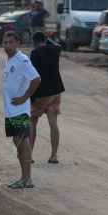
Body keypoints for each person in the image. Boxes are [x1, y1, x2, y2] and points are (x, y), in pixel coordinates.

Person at [1, 31, 41, 189]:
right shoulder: (9, 60)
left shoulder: (22, 60)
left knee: (23, 141)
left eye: (11, 42)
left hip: (20, 110)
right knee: (17, 141)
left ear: (18, 43)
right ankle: (24, 177)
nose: (8, 45)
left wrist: (24, 98)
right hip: (10, 110)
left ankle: (27, 179)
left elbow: (36, 79)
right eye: (5, 42)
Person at [28, 32, 65, 164]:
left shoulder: (35, 53)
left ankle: (30, 155)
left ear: (33, 41)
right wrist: (47, 38)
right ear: (45, 40)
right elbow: (57, 44)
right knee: (53, 123)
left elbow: (33, 74)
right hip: (55, 92)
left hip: (39, 93)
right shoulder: (55, 49)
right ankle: (54, 156)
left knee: (33, 123)